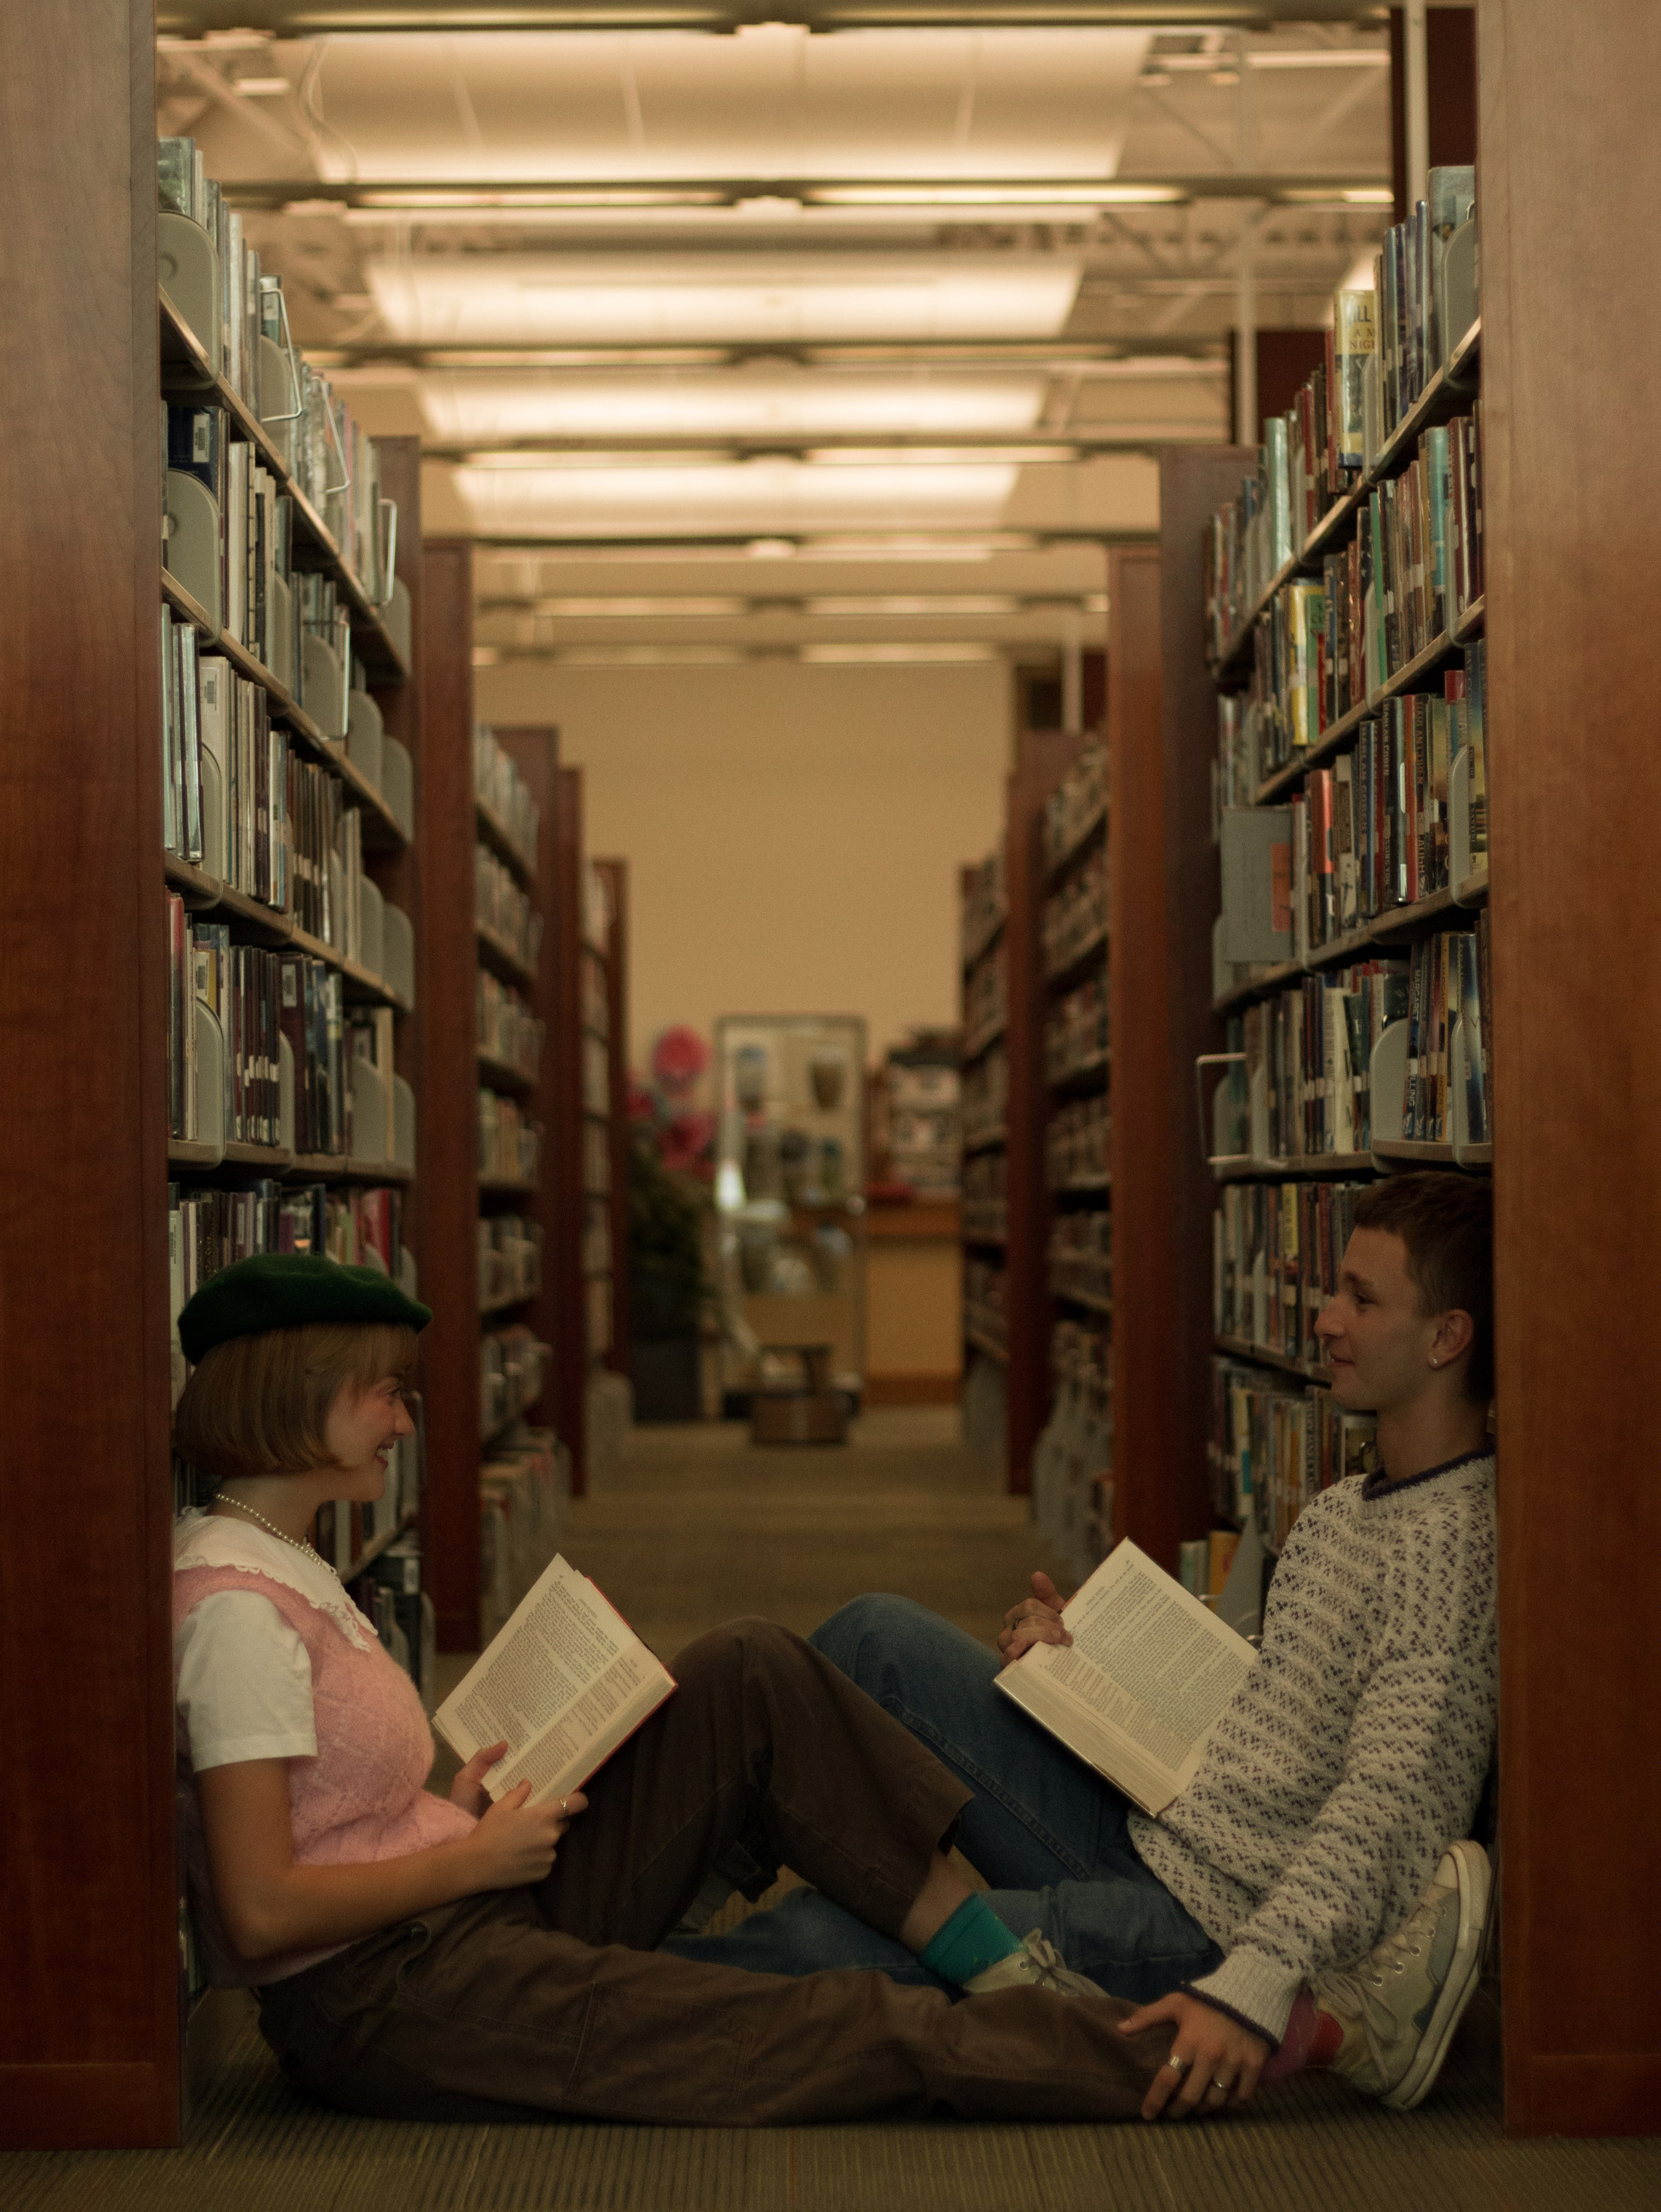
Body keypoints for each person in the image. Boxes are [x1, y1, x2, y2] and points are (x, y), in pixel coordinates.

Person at [173, 1251, 1237, 2130]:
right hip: (390, 1994)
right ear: (299, 1390)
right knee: (834, 2023)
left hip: (462, 1902)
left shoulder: (294, 1560)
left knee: (750, 1670)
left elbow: (332, 1819)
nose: (406, 1421)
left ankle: (1003, 1969)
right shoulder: (239, 1614)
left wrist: (457, 1820)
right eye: (386, 1393)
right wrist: (473, 1855)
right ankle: (1177, 2055)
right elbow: (262, 1911)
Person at [670, 1172, 1497, 2119]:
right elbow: (1280, 1717)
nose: (1324, 1320)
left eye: (1362, 1297)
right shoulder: (1346, 1508)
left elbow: (1392, 1813)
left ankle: (605, 1994)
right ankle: (672, 1880)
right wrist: (1081, 1667)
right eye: (1333, 1289)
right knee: (876, 1637)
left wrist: (1257, 1982)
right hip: (1155, 1826)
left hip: (1215, 1920)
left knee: (829, 1935)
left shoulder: (1458, 1552)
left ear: (1447, 1338)